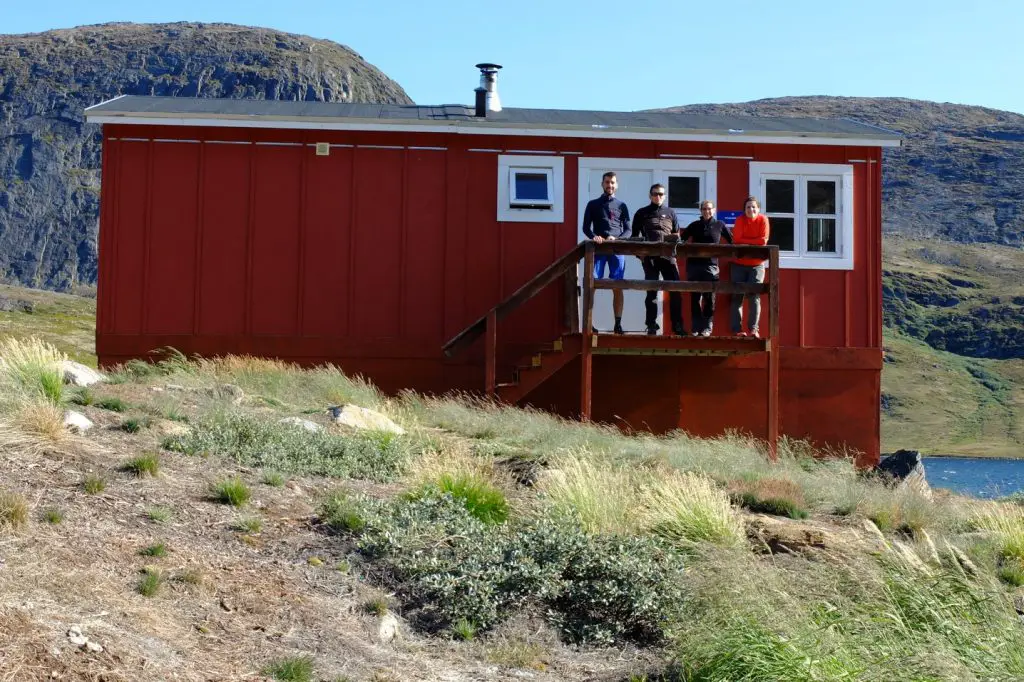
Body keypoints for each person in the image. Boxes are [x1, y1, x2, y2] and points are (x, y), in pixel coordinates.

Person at [581, 171, 630, 334]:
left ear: (617, 185)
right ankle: (589, 323)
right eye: (607, 182)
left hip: (616, 249)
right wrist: (595, 237)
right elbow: (586, 228)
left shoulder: (622, 205)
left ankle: (618, 324)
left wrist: (617, 239)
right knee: (592, 284)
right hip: (599, 248)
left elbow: (628, 230)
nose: (610, 185)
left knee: (617, 285)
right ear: (602, 184)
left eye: (613, 182)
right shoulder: (593, 204)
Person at [632, 183, 683, 335]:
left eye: (661, 194)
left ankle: (677, 325)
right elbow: (634, 237)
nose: (658, 196)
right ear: (650, 195)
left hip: (668, 258)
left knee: (675, 291)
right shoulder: (642, 213)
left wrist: (675, 250)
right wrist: (640, 256)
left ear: (665, 196)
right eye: (655, 193)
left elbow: (677, 235)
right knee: (652, 291)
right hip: (650, 258)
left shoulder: (671, 213)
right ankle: (651, 324)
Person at [679, 200, 733, 336]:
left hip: (711, 266)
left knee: (709, 298)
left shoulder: (719, 225)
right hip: (694, 266)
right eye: (704, 209)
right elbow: (681, 240)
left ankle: (707, 327)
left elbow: (733, 241)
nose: (706, 211)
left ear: (714, 210)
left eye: (709, 209)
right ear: (700, 211)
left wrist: (725, 252)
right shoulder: (694, 225)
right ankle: (696, 327)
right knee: (695, 298)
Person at [730, 195, 771, 337]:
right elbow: (736, 239)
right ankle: (737, 330)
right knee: (737, 296)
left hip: (757, 265)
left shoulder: (763, 219)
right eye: (748, 207)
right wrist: (754, 241)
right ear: (744, 209)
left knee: (754, 296)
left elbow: (763, 241)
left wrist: (746, 242)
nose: (751, 209)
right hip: (739, 264)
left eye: (754, 206)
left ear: (758, 209)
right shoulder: (740, 220)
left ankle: (754, 329)